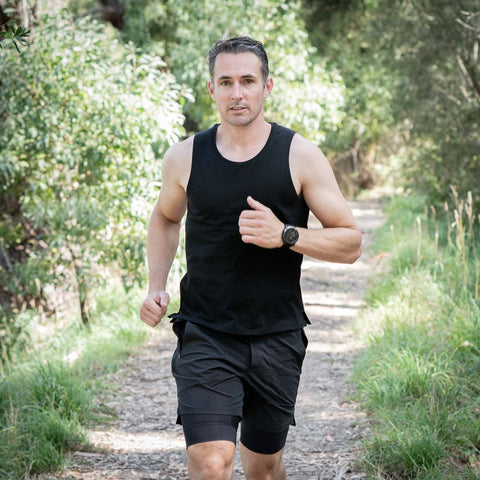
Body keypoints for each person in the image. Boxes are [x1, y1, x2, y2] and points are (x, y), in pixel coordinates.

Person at [139, 36, 362, 480]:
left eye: (247, 80)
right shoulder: (185, 156)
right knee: (211, 463)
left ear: (267, 86)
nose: (236, 92)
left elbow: (351, 242)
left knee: (263, 468)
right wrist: (156, 285)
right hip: (206, 331)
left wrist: (286, 234)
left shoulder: (299, 155)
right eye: (226, 82)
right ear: (212, 90)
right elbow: (165, 218)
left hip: (276, 335)